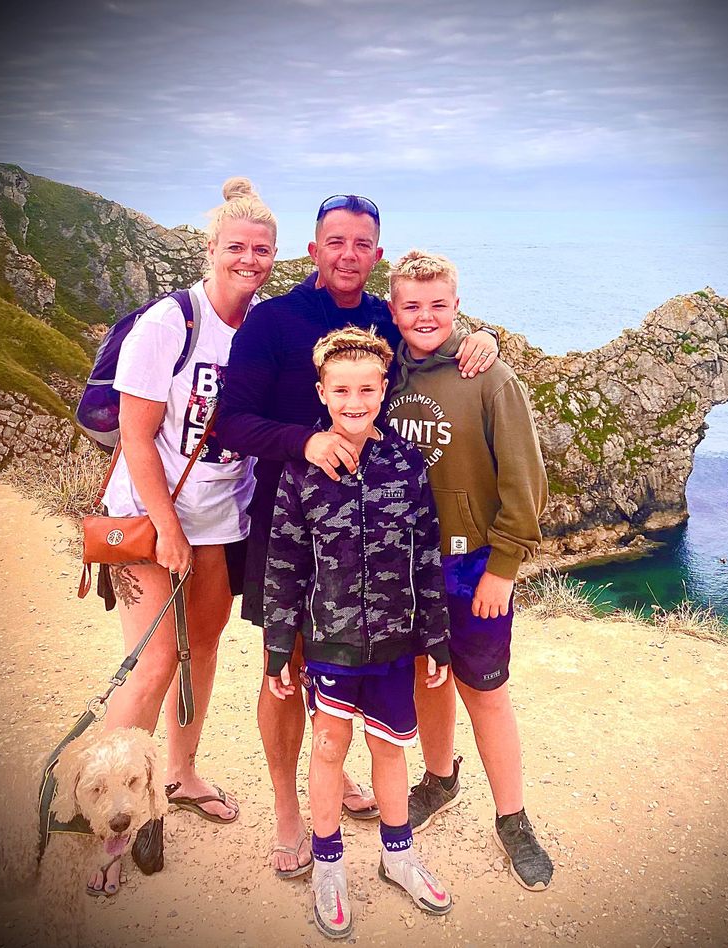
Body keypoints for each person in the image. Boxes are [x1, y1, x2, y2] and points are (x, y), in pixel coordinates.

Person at [217, 194, 500, 876]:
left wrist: (484, 341)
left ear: (377, 254)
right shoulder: (271, 321)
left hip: (376, 532)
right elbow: (230, 422)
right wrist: (306, 442)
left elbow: (432, 335)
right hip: (286, 520)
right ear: (313, 250)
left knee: (346, 664)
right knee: (284, 664)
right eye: (335, 241)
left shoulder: (381, 318)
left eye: (362, 243)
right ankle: (289, 810)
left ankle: (340, 777)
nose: (348, 254)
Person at [89, 177, 277, 896]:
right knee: (154, 664)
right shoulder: (171, 322)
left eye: (261, 250)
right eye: (237, 247)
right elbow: (135, 437)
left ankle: (179, 775)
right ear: (212, 249)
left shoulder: (260, 329)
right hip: (149, 520)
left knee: (201, 652)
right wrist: (169, 530)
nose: (249, 260)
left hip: (220, 523)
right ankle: (115, 821)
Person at [265, 327, 453, 938]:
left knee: (390, 749)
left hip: (397, 642)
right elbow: (285, 563)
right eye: (341, 391)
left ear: (383, 391)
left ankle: (398, 856)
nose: (353, 402)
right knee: (327, 746)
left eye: (366, 390)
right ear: (322, 393)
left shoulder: (407, 463)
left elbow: (427, 554)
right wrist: (278, 647)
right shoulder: (301, 470)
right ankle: (327, 866)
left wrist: (436, 637)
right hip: (330, 643)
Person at [385, 249, 555, 891]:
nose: (425, 316)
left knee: (485, 692)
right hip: (405, 561)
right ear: (393, 309)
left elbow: (525, 480)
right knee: (428, 677)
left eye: (438, 304)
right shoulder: (384, 371)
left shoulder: (490, 378)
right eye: (412, 305)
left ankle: (513, 819)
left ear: (457, 305)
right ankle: (440, 778)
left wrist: (503, 567)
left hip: (472, 564)